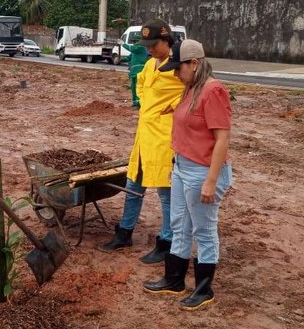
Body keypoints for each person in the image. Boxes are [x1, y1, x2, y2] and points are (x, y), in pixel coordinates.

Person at [142, 39, 232, 311]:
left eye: (178, 67)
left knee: (203, 231)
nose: (175, 73)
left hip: (202, 171)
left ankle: (204, 289)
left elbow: (222, 139)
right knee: (179, 224)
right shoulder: (190, 88)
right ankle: (174, 280)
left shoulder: (213, 91)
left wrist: (211, 180)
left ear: (194, 63)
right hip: (182, 167)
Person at [99, 19, 184, 265]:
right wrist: (149, 104)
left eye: (153, 44)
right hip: (143, 136)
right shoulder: (149, 65)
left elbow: (193, 93)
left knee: (166, 194)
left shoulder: (178, 66)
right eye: (146, 44)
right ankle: (125, 232)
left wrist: (171, 107)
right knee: (133, 186)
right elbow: (142, 88)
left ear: (167, 41)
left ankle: (166, 242)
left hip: (165, 139)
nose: (149, 49)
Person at [121, 36, 149, 108]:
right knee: (133, 88)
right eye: (133, 42)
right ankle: (134, 102)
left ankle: (139, 103)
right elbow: (128, 58)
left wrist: (123, 44)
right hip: (133, 72)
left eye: (135, 41)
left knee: (138, 87)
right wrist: (120, 59)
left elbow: (132, 48)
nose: (134, 43)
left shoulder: (140, 48)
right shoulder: (134, 51)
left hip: (139, 71)